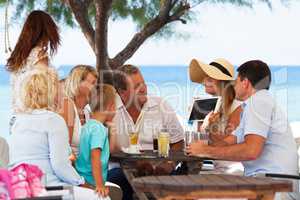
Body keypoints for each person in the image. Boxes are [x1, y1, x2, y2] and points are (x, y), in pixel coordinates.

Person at [186, 60, 299, 199]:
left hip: (275, 184)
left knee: (193, 195)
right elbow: (228, 141)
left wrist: (205, 150)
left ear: (245, 82)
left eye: (236, 81)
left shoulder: (259, 102)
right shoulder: (251, 106)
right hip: (265, 180)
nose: (234, 85)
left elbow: (251, 151)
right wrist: (201, 145)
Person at [109, 64, 184, 200]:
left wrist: (169, 165)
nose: (143, 88)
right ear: (121, 92)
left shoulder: (161, 106)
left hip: (160, 171)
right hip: (122, 171)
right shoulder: (109, 109)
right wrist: (136, 164)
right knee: (116, 180)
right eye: (137, 86)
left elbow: (178, 142)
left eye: (143, 83)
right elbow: (102, 149)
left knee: (183, 184)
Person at [189, 58, 243, 173]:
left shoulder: (237, 107)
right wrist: (199, 118)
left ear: (221, 82)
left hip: (234, 169)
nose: (204, 83)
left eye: (209, 79)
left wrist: (210, 127)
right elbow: (202, 143)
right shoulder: (215, 105)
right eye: (205, 79)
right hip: (218, 166)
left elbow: (228, 144)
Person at [6, 10, 60, 114]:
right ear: (45, 31)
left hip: (17, 117)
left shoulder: (19, 56)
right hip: (36, 117)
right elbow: (43, 90)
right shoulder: (40, 55)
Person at [75, 84, 119, 197]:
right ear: (111, 107)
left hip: (82, 178)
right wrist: (100, 185)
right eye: (116, 107)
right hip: (92, 182)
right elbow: (95, 156)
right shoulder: (99, 129)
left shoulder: (87, 125)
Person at [60, 65, 98, 159]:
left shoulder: (87, 111)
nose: (96, 88)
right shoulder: (68, 106)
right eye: (92, 83)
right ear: (78, 83)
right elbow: (64, 148)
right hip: (73, 167)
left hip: (87, 167)